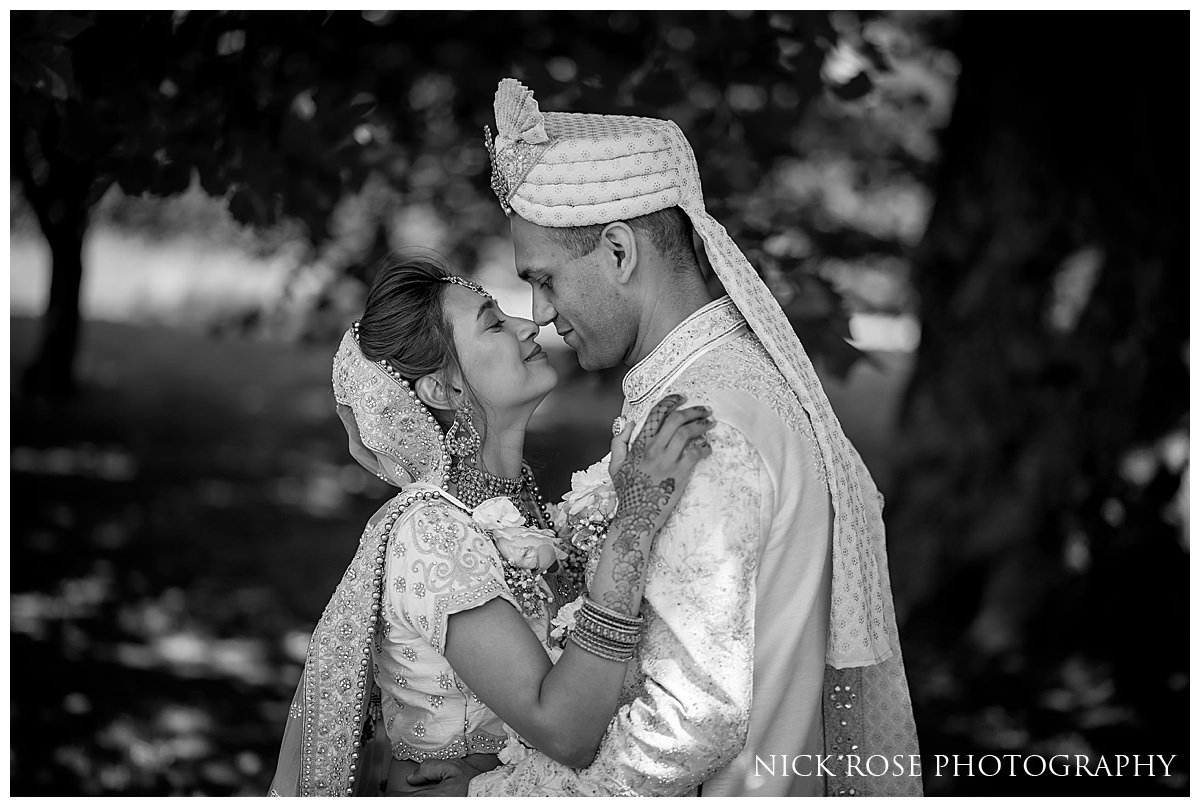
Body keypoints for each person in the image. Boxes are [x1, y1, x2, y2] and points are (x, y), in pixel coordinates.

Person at [405, 79, 923, 796]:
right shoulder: (719, 382)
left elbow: (689, 722)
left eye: (545, 278)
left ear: (619, 252)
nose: (540, 313)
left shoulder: (705, 424)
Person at [268, 255, 716, 795]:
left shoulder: (514, 512)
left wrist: (492, 770)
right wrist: (634, 523)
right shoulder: (433, 535)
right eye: (494, 323)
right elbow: (565, 731)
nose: (530, 325)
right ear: (445, 391)